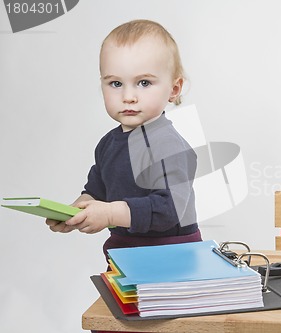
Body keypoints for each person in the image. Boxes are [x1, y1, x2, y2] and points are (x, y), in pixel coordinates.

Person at [46, 19, 202, 260]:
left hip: (172, 257)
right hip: (124, 254)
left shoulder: (167, 144)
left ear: (174, 89)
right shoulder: (107, 144)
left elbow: (169, 210)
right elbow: (97, 191)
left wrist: (109, 214)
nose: (128, 96)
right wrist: (75, 212)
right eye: (116, 83)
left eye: (144, 83)